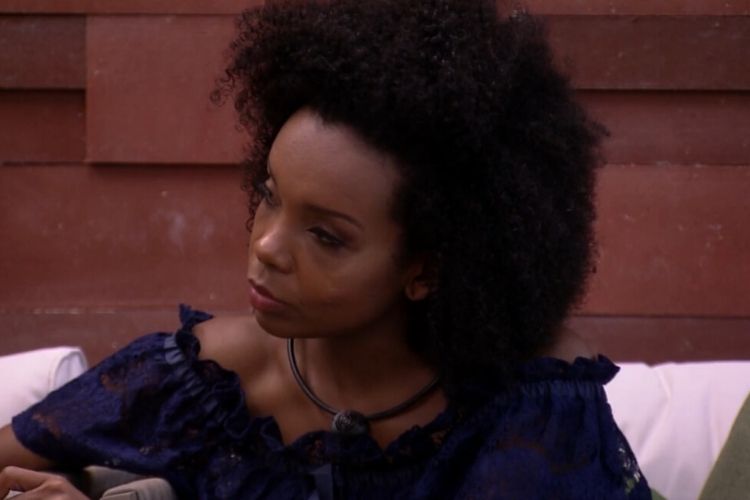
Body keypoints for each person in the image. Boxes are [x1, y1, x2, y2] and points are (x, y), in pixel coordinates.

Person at [0, 0, 650, 498]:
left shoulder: (532, 413)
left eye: (326, 236)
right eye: (269, 194)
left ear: (426, 269)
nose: (267, 246)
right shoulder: (202, 384)